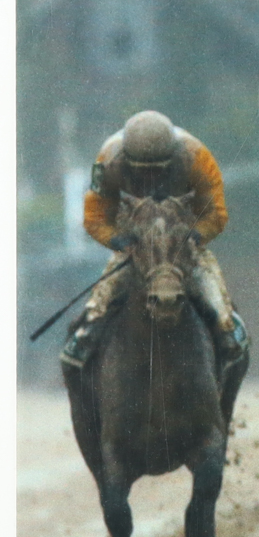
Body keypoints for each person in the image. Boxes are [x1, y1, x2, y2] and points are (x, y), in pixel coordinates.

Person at [61, 110, 248, 370]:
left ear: (173, 159)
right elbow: (95, 216)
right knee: (101, 301)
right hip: (135, 245)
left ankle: (229, 331)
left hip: (183, 243)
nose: (150, 179)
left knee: (217, 302)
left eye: (158, 171)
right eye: (141, 172)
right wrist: (117, 241)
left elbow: (215, 213)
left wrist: (197, 235)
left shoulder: (197, 157)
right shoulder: (106, 160)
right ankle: (87, 335)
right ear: (125, 159)